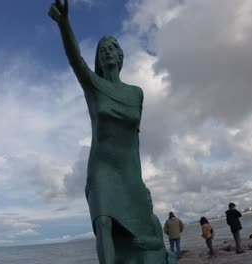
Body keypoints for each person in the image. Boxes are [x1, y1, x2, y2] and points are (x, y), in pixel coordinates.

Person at [49, 1, 172, 263]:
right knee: (104, 222)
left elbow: (135, 140)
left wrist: (139, 181)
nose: (106, 52)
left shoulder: (136, 93)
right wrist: (64, 25)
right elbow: (75, 60)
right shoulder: (93, 86)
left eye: (111, 48)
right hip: (102, 169)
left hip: (128, 172)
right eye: (102, 50)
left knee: (136, 233)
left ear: (120, 56)